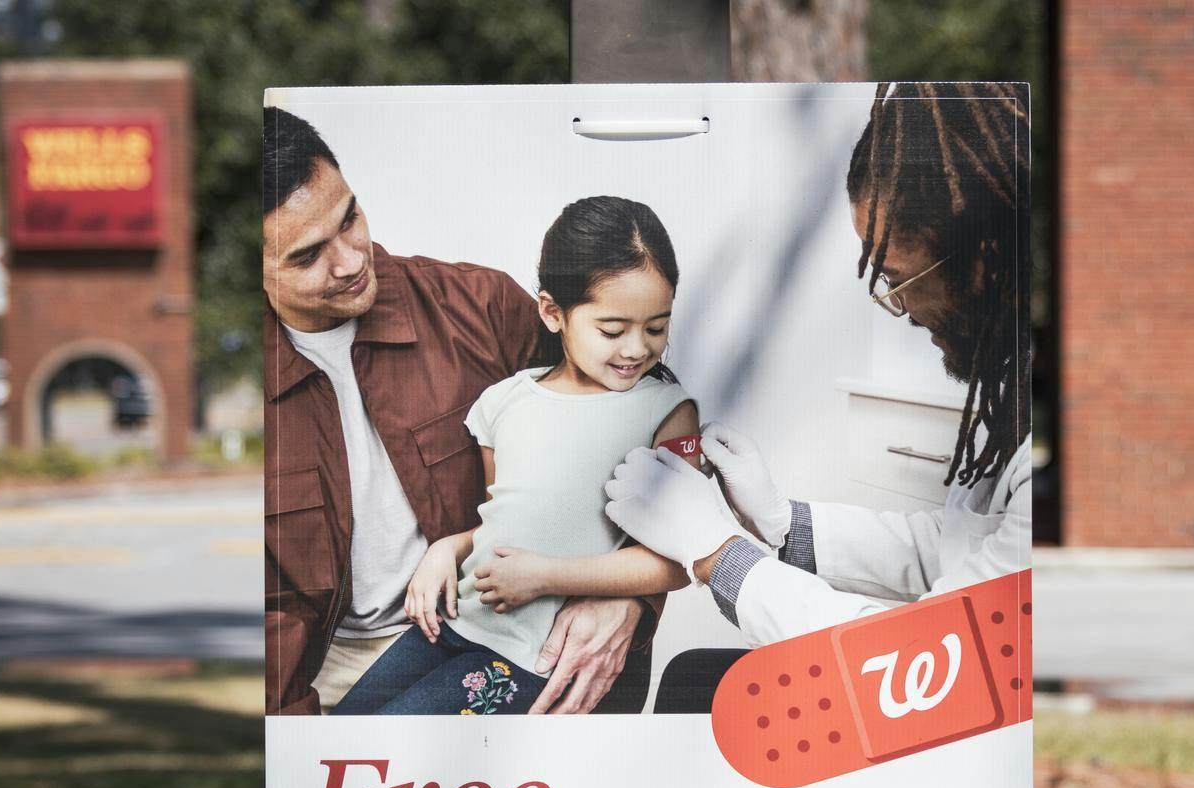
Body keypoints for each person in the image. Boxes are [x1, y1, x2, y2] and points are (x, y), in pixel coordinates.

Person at [603, 82, 1032, 709]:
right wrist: (785, 523)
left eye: (897, 277)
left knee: (710, 696)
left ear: (984, 261)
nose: (899, 308)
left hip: (964, 705)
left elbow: (928, 659)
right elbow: (958, 546)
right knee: (697, 677)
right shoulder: (1010, 389)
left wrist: (719, 555)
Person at [261, 107, 658, 715]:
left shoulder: (480, 308)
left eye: (350, 218)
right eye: (306, 255)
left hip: (508, 633)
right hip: (326, 674)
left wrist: (627, 600)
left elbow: (648, 427)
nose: (349, 260)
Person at [334, 197, 701, 715]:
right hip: (455, 626)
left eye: (657, 328)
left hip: (534, 659)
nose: (637, 349)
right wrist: (449, 548)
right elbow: (502, 523)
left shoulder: (666, 411)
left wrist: (547, 577)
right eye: (613, 331)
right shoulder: (502, 402)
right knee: (339, 736)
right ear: (553, 312)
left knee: (393, 740)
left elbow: (674, 561)